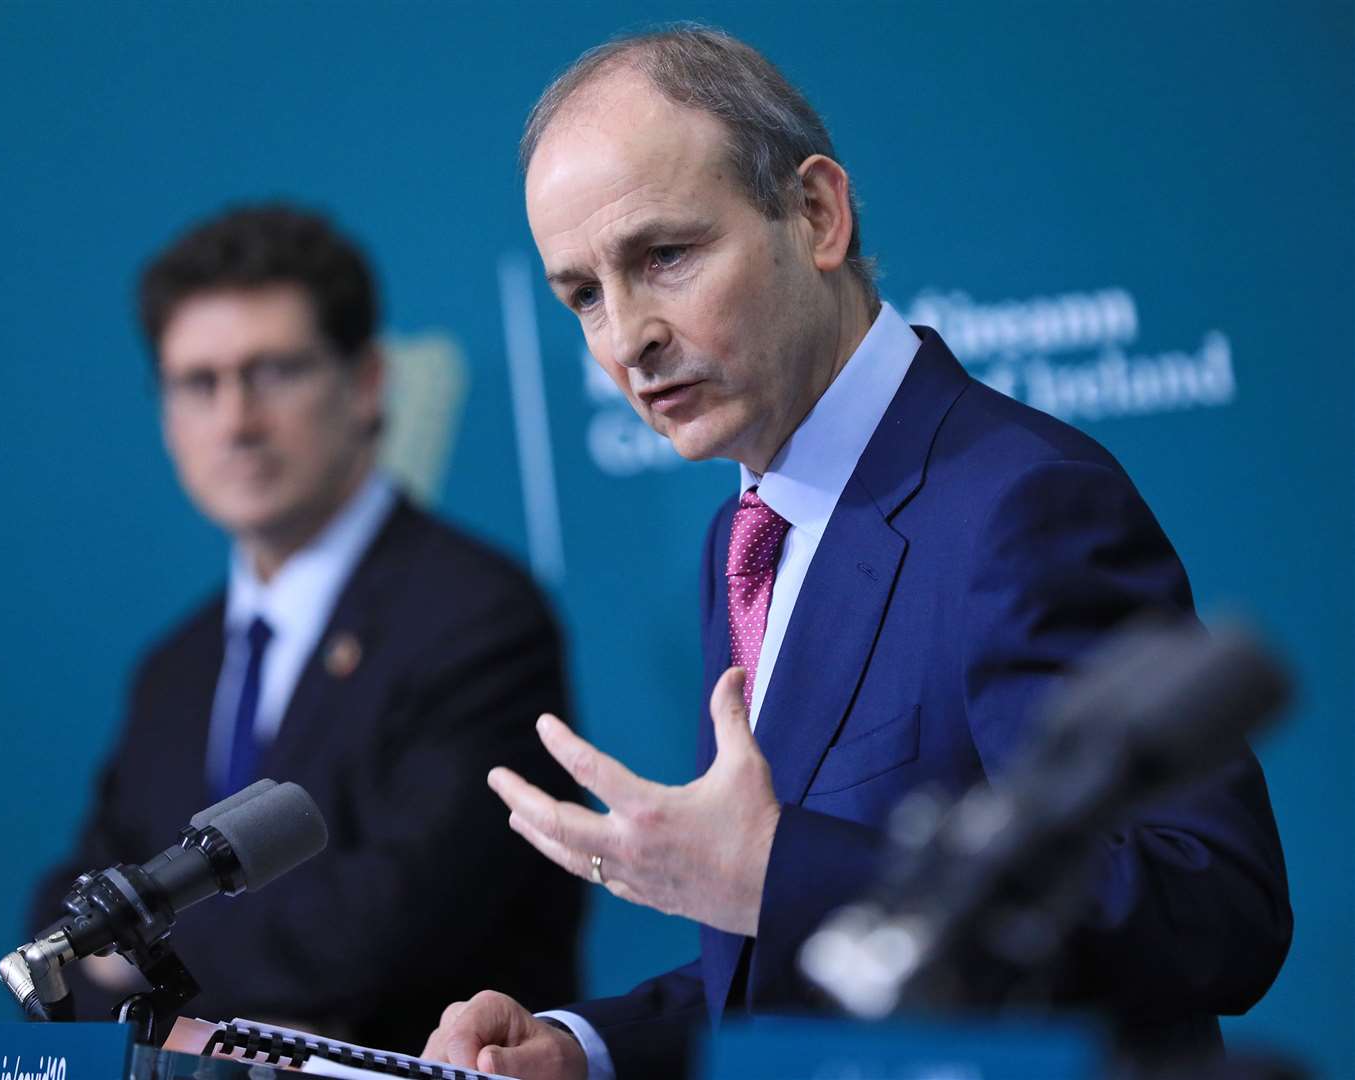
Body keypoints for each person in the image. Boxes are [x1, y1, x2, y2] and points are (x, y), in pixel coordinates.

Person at [421, 26, 1291, 1079]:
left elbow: (1210, 904)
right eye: (584, 294)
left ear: (817, 215)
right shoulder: (743, 540)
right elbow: (806, 960)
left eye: (665, 256)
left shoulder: (1020, 501)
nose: (626, 337)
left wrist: (771, 869)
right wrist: (586, 1048)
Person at [29, 204, 583, 1052]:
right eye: (197, 383)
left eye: (273, 371)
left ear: (363, 382)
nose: (236, 420)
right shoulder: (173, 669)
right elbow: (59, 919)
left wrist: (133, 956)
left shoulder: (476, 617)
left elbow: (381, 931)